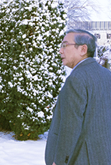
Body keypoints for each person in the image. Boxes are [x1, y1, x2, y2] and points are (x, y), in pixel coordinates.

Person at [45, 29, 111, 165]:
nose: (60, 51)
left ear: (83, 49)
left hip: (81, 159)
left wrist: (59, 161)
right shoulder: (107, 75)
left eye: (65, 45)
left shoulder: (76, 79)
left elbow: (69, 127)